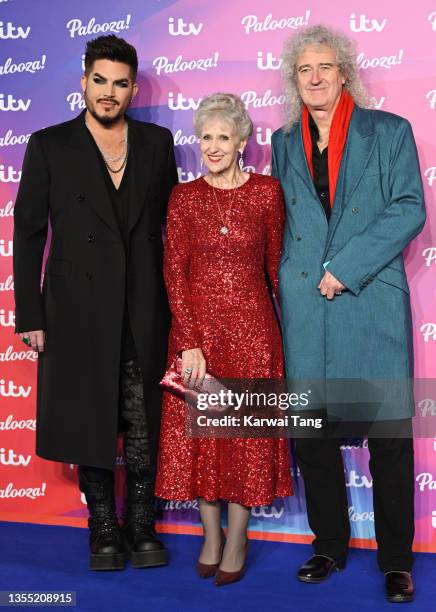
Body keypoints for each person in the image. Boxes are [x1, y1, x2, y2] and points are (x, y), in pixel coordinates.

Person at [272, 25, 425, 603]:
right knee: (311, 438)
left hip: (369, 301)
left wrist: (348, 266)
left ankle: (395, 561)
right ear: (296, 80)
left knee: (387, 440)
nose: (314, 78)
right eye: (304, 70)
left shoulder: (390, 132)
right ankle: (329, 546)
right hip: (308, 307)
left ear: (344, 73)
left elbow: (409, 206)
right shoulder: (284, 141)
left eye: (324, 68)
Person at [13, 35, 177, 571]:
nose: (109, 93)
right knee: (91, 416)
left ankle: (142, 522)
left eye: (121, 83)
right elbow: (30, 232)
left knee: (142, 417)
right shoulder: (49, 144)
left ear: (133, 88)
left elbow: (169, 233)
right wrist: (31, 315)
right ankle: (103, 525)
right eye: (100, 81)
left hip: (145, 304)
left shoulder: (156, 143)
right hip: (76, 306)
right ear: (84, 82)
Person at [155, 93, 292, 586]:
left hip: (254, 333)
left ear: (242, 142)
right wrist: (188, 339)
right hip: (198, 336)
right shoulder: (184, 197)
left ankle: (237, 538)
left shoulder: (266, 193)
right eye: (205, 137)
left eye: (222, 137)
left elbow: (277, 267)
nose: (212, 147)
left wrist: (296, 330)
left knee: (243, 439)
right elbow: (174, 273)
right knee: (204, 438)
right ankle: (209, 537)